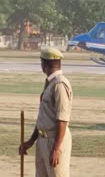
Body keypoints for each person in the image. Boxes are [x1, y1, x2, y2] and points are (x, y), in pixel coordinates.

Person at [19, 47, 73, 177]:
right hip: (42, 140)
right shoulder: (49, 83)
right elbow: (43, 118)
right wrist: (31, 141)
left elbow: (63, 119)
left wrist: (56, 149)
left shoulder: (59, 85)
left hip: (55, 140)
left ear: (45, 65)